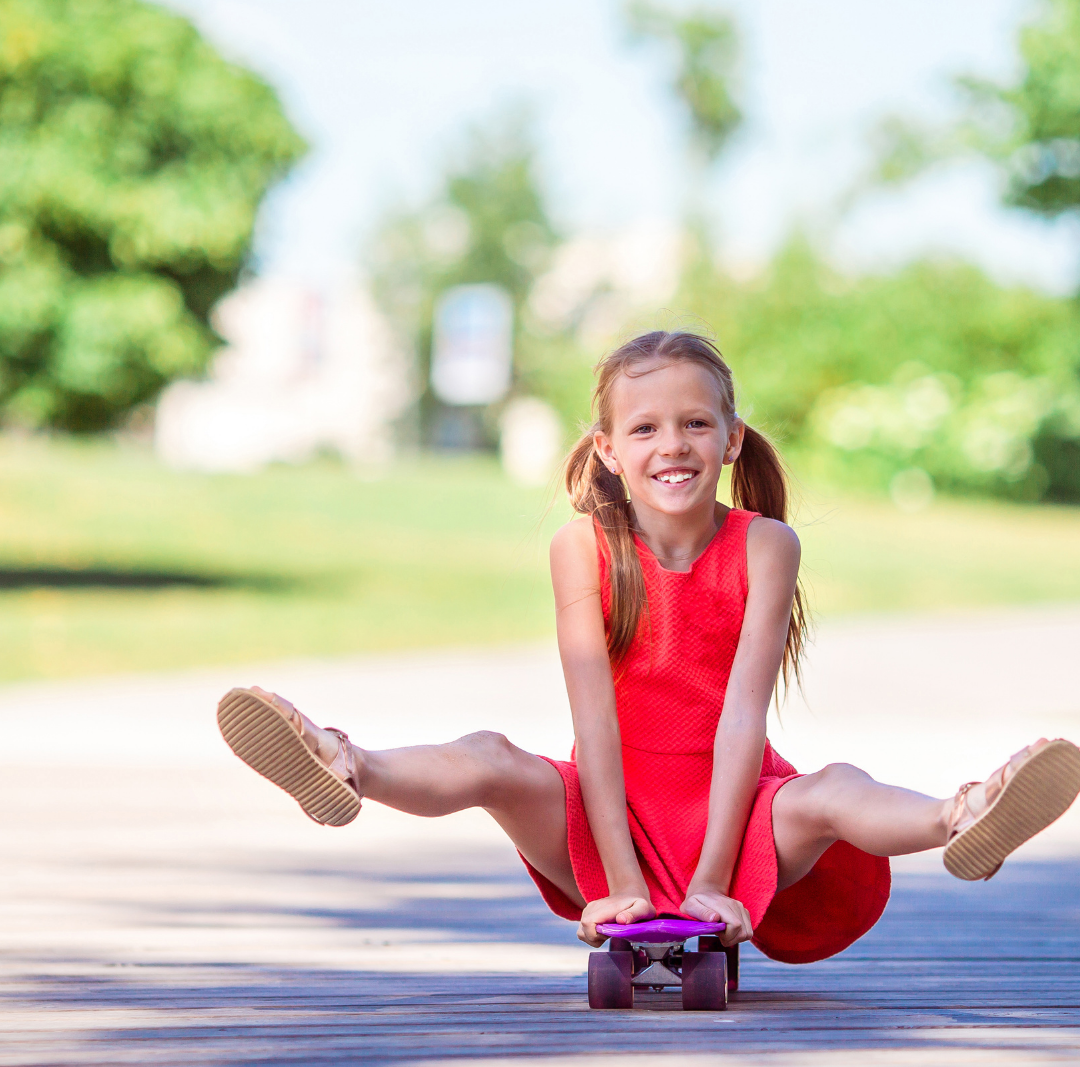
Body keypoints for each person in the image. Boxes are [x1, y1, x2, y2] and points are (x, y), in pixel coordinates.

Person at [217, 330, 1080, 961]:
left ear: (731, 439)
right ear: (609, 453)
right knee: (487, 756)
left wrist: (716, 881)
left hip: (738, 810)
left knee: (831, 789)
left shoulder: (766, 546)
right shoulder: (581, 549)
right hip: (607, 808)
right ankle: (343, 764)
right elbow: (594, 728)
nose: (673, 444)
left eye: (696, 424)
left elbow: (742, 719)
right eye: (645, 430)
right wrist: (614, 884)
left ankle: (962, 815)